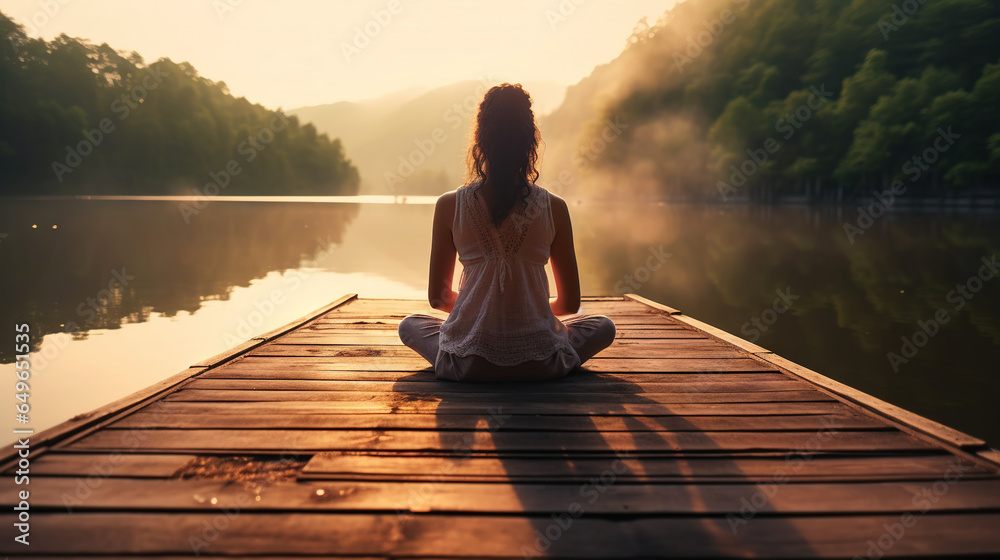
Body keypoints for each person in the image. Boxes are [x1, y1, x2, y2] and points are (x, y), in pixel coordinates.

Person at [398, 83, 616, 382]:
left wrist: (478, 315)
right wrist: (528, 313)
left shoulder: (450, 205)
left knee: (410, 325)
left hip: (465, 365)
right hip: (543, 364)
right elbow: (570, 304)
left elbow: (438, 298)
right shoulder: (555, 207)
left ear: (480, 140)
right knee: (602, 326)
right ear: (530, 142)